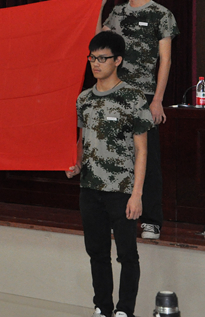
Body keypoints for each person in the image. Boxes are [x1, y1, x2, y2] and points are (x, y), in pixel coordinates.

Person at [68, 31, 154, 317]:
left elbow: (142, 150)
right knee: (97, 253)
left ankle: (124, 310)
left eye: (102, 58)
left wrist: (137, 194)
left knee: (127, 254)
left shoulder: (133, 97)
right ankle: (102, 307)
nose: (96, 63)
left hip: (122, 190)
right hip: (90, 189)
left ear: (117, 60)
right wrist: (76, 163)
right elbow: (83, 140)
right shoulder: (84, 99)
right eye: (92, 58)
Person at [102, 0, 179, 240]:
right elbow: (99, 43)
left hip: (144, 96)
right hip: (115, 95)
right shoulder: (117, 14)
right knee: (116, 156)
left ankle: (151, 220)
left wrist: (157, 100)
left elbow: (165, 60)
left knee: (147, 158)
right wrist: (98, 9)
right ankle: (118, 216)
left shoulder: (161, 14)